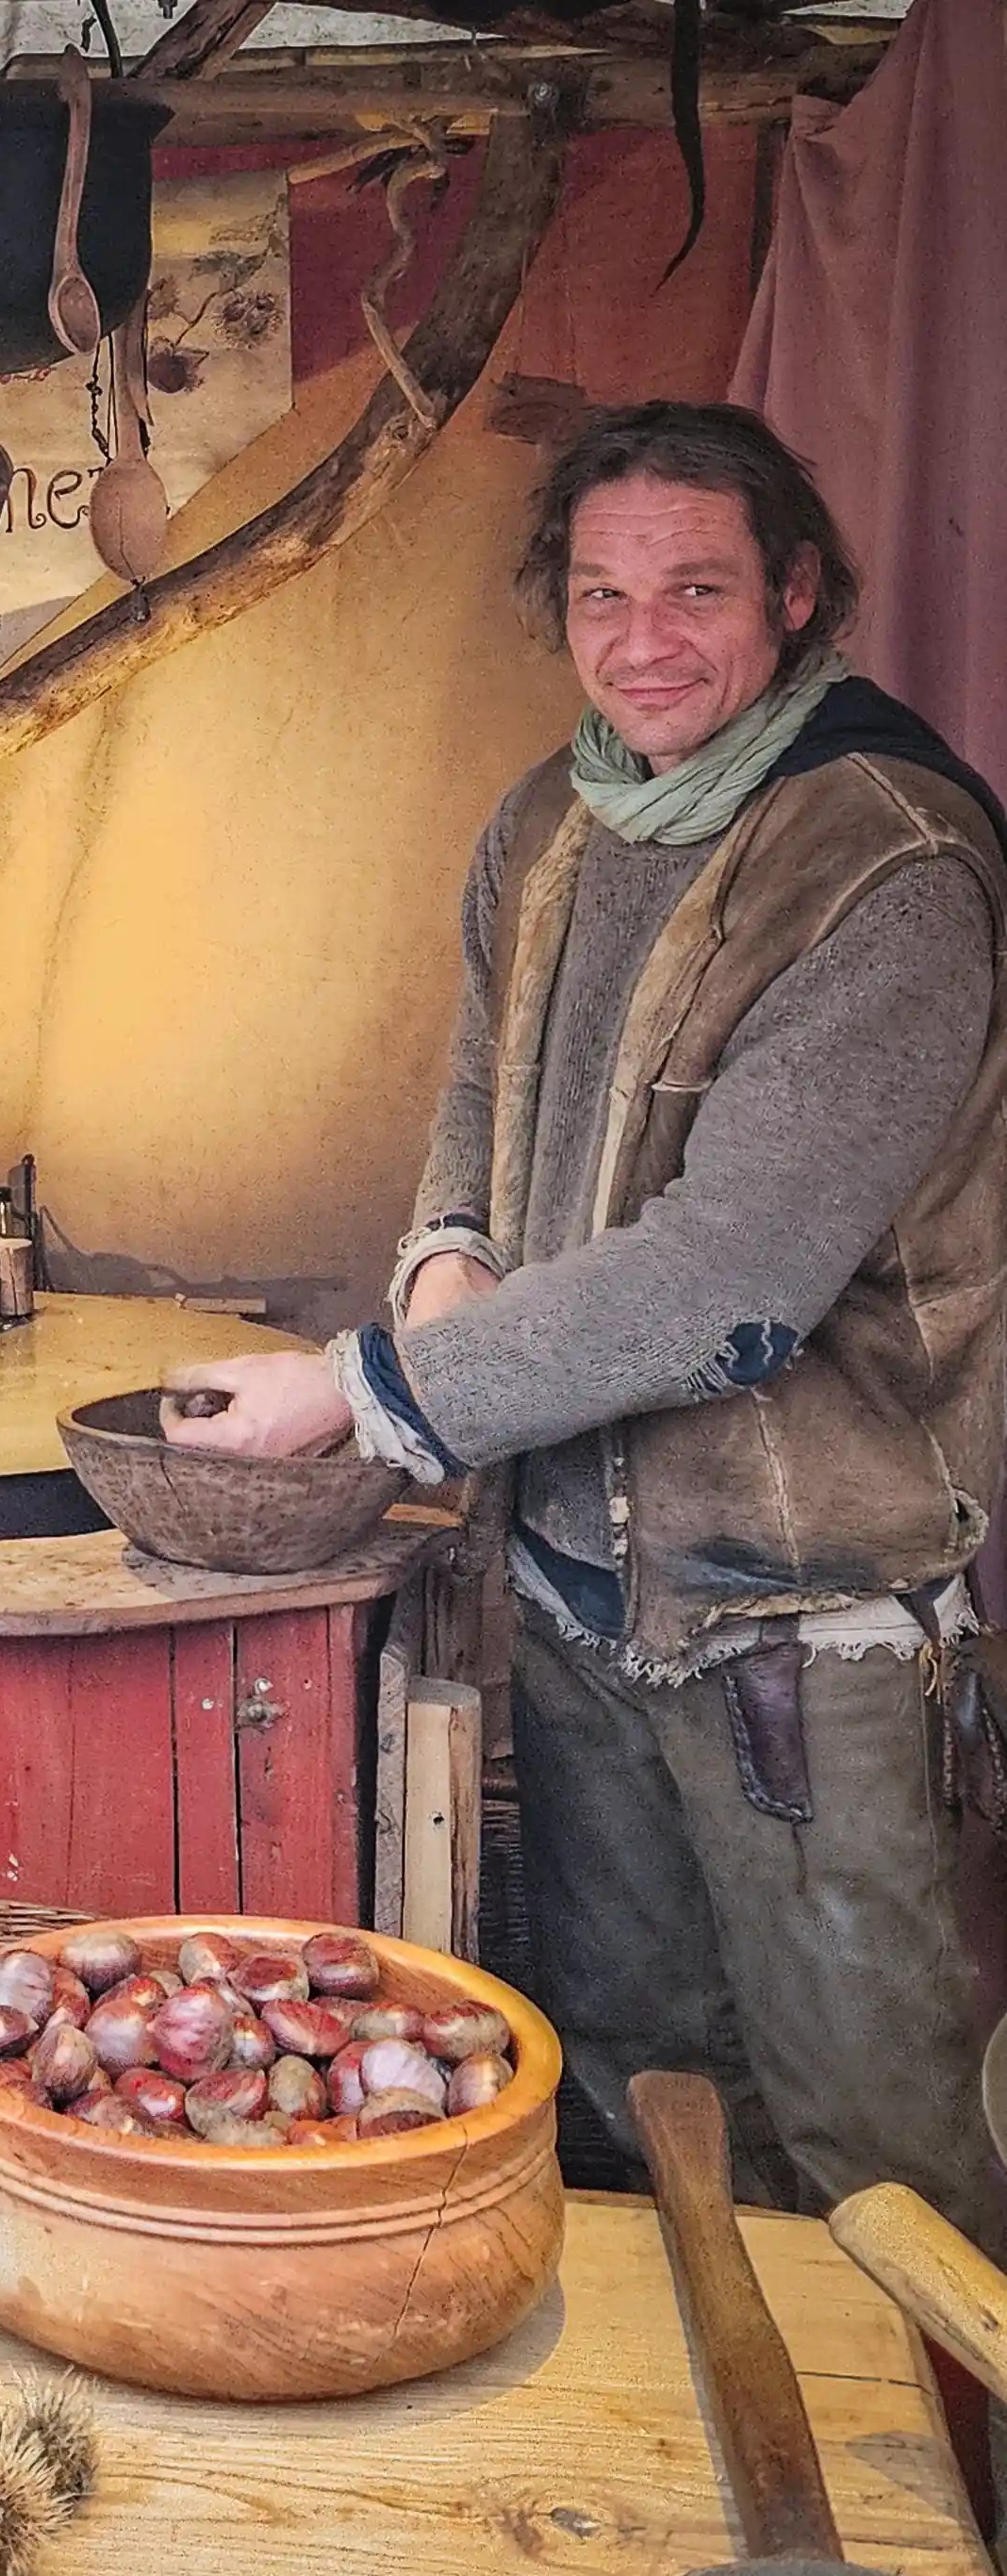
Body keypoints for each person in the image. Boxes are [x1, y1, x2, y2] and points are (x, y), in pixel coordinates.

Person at [166, 401, 1007, 2252]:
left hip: (805, 1623)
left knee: (874, 2156)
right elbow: (472, 1119)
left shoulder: (887, 866)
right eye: (605, 593)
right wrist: (445, 1264)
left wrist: (371, 1391)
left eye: (697, 588)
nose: (645, 639)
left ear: (793, 592)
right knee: (641, 2111)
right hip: (574, 1589)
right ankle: (699, 2515)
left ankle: (939, 2540)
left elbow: (729, 1288)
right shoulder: (550, 819)